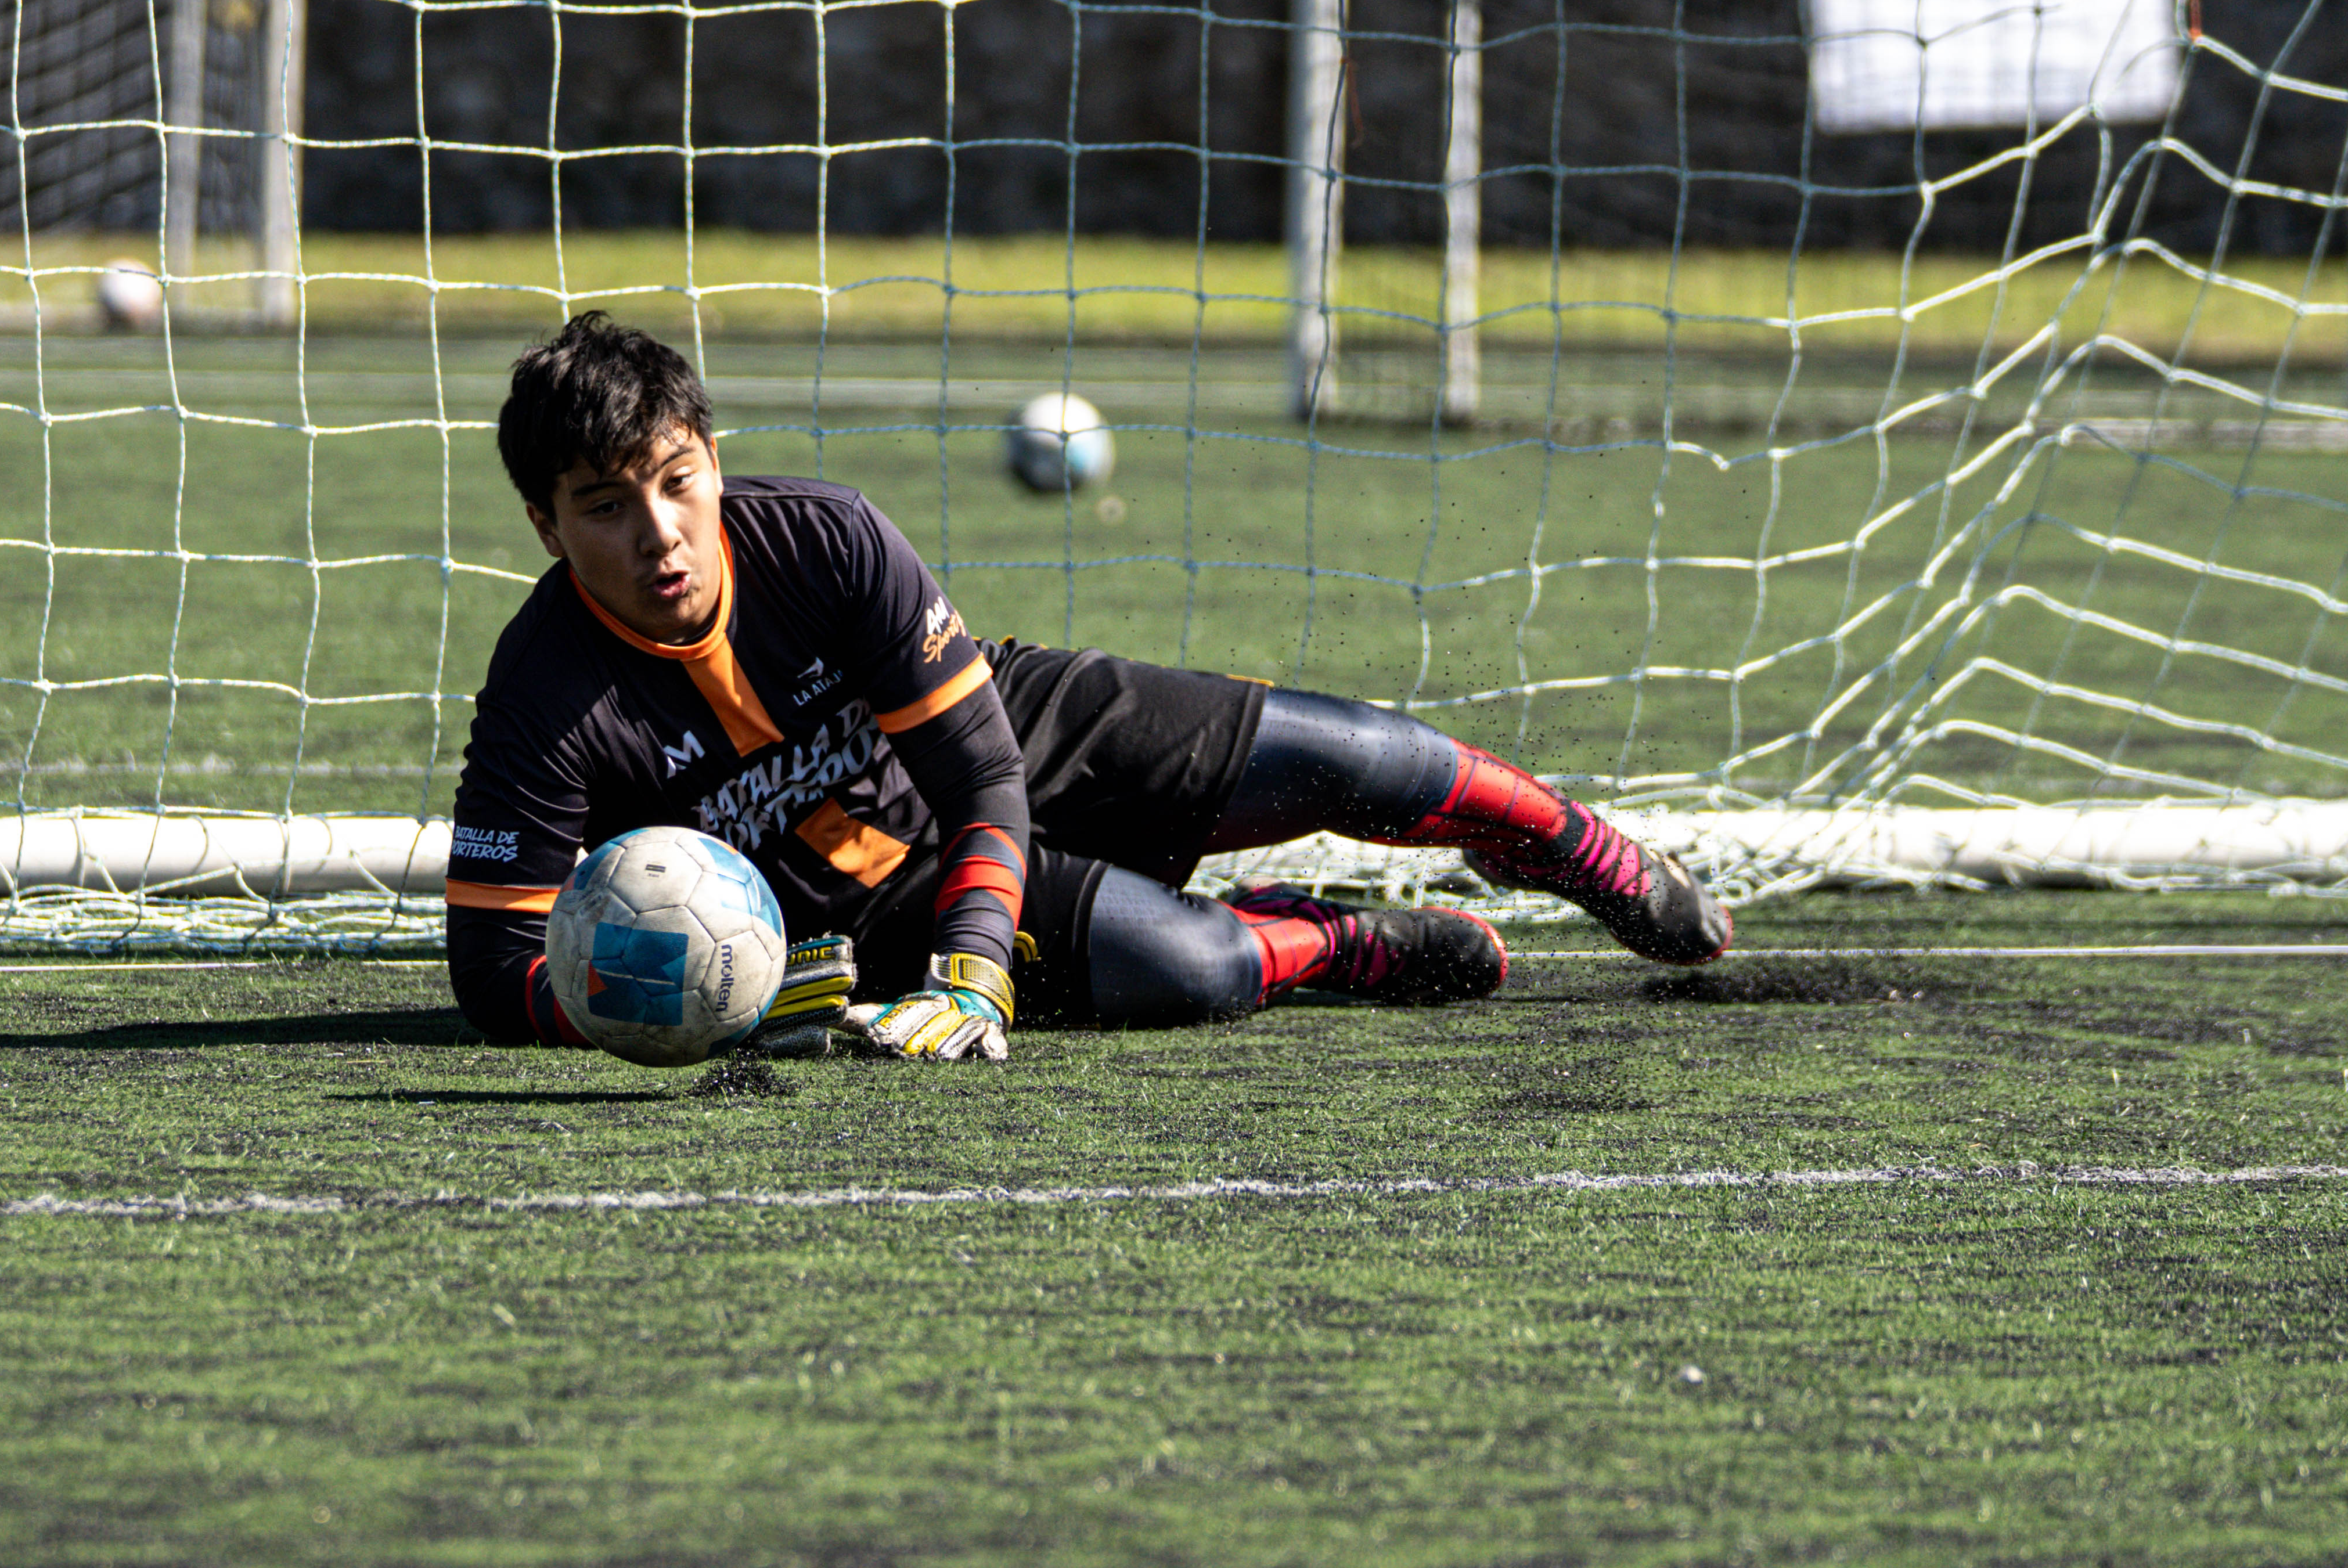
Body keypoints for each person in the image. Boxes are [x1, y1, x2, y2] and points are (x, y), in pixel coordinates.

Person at [444, 313, 1731, 1061]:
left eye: (677, 482)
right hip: (855, 902)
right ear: (549, 528)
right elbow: (494, 965)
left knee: (1358, 761)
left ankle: (1584, 855)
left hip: (992, 734)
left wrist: (978, 962)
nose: (659, 534)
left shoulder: (829, 539)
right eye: (606, 508)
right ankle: (1328, 939)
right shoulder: (544, 695)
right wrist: (718, 1000)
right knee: (1203, 968)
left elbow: (983, 771)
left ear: (714, 461)